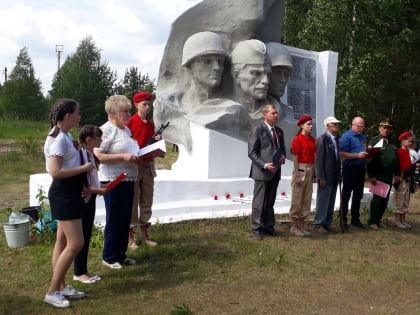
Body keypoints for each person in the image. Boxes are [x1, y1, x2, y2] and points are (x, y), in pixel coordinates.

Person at [154, 31, 249, 152]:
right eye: (207, 61)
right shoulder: (166, 106)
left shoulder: (232, 110)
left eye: (220, 61)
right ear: (189, 65)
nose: (217, 67)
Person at [43, 99, 93, 308]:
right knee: (76, 243)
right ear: (67, 116)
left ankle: (61, 286)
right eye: (77, 113)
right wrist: (84, 168)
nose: (79, 116)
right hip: (64, 193)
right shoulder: (60, 139)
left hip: (68, 192)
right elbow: (55, 171)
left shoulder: (62, 135)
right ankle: (53, 291)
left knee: (62, 242)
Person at [94, 95, 139, 269]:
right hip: (113, 179)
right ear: (113, 113)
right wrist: (123, 156)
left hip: (128, 177)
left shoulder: (126, 130)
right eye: (125, 111)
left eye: (129, 110)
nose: (129, 114)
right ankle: (109, 256)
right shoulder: (106, 130)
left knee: (124, 217)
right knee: (114, 217)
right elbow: (98, 155)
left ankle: (120, 253)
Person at [73, 125, 107, 283]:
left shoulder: (91, 155)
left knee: (87, 234)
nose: (101, 140)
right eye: (98, 137)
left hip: (91, 198)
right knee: (82, 235)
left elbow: (92, 177)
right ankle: (79, 271)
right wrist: (95, 189)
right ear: (88, 139)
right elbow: (81, 184)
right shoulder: (80, 156)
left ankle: (83, 269)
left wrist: (100, 187)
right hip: (83, 200)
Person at [126, 91, 160, 248]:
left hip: (147, 166)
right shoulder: (130, 123)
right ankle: (130, 236)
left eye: (149, 104)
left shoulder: (151, 124)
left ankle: (145, 233)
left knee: (147, 199)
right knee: (132, 200)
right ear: (136, 105)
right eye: (144, 104)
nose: (147, 107)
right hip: (134, 166)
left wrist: (158, 142)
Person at [248, 104, 286, 240]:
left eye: (277, 113)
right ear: (265, 114)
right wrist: (264, 165)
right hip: (262, 172)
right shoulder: (257, 130)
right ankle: (256, 228)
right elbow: (252, 153)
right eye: (273, 113)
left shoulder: (279, 131)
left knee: (270, 201)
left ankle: (268, 226)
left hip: (275, 171)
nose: (276, 115)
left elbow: (281, 149)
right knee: (259, 202)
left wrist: (282, 158)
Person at [366, 118, 400, 230]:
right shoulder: (374, 141)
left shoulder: (392, 143)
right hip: (378, 174)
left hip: (389, 175)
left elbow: (396, 160)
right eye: (384, 127)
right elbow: (370, 159)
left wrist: (397, 173)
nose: (386, 130)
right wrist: (371, 175)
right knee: (377, 198)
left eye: (388, 128)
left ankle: (378, 219)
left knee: (385, 198)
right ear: (379, 128)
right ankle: (372, 221)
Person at [265, 41, 296, 154]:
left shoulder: (288, 111)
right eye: (278, 73)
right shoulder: (258, 111)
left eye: (286, 74)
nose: (283, 79)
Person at [339, 117, 369, 228]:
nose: (361, 129)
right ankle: (343, 219)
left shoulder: (363, 137)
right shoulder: (346, 136)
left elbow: (364, 150)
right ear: (353, 125)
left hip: (360, 168)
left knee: (358, 194)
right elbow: (341, 153)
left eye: (362, 127)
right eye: (359, 126)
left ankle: (355, 218)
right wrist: (357, 155)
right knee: (346, 194)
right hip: (350, 167)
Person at [313, 116, 342, 233]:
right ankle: (318, 223)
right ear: (328, 126)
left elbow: (337, 158)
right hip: (326, 175)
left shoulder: (335, 139)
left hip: (334, 174)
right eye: (334, 124)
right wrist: (321, 176)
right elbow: (319, 160)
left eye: (337, 124)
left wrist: (339, 173)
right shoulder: (322, 139)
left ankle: (327, 222)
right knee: (323, 199)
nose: (337, 126)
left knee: (331, 200)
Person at [289, 115, 316, 237]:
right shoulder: (297, 139)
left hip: (310, 168)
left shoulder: (312, 140)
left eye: (311, 124)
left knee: (306, 198)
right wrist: (297, 174)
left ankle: (302, 225)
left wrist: (314, 173)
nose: (311, 126)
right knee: (297, 197)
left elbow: (313, 157)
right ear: (302, 125)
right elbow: (295, 157)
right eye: (308, 124)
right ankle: (294, 226)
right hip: (301, 167)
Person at [230, 39, 271, 116]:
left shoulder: (276, 111)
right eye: (256, 73)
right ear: (236, 75)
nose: (266, 81)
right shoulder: (222, 110)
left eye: (268, 74)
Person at [393, 131, 414, 229]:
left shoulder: (407, 151)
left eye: (410, 140)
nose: (410, 142)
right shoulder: (400, 152)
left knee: (406, 199)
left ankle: (402, 219)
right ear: (402, 141)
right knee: (400, 198)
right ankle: (397, 220)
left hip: (408, 178)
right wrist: (399, 176)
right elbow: (399, 166)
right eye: (407, 140)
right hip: (401, 178)